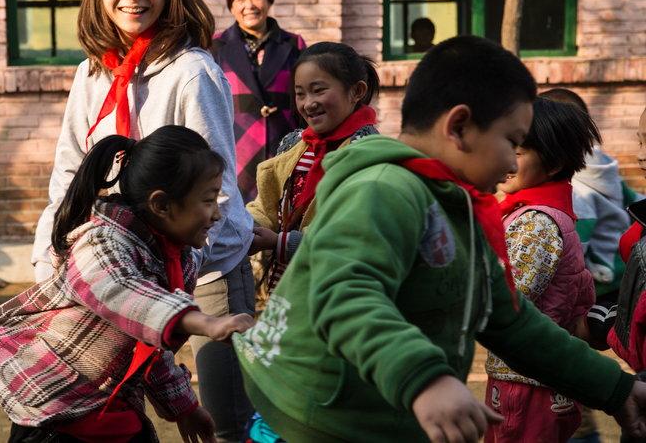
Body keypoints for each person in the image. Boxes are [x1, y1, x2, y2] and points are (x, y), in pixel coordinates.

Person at [234, 36, 646, 443]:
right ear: (459, 127)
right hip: (307, 417)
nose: (510, 161)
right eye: (511, 142)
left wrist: (615, 389)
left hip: (378, 415)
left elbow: (510, 321)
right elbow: (344, 293)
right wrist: (426, 380)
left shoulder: (460, 209)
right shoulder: (383, 189)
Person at [30, 0, 257, 443]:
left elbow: (218, 198)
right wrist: (51, 266)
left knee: (225, 425)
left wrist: (163, 276)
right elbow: (68, 182)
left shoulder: (191, 72)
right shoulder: (91, 74)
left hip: (207, 268)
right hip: (118, 278)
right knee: (106, 414)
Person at [0, 127, 254, 443]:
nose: (217, 214)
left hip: (114, 409)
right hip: (56, 415)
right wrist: (206, 323)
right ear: (161, 205)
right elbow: (124, 293)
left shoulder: (179, 258)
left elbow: (148, 344)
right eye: (207, 200)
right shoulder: (98, 243)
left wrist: (184, 407)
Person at [485, 96, 600, 443]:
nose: (504, 159)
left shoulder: (536, 222)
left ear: (553, 164)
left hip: (525, 382)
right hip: (535, 377)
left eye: (517, 152)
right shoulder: (543, 213)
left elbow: (505, 298)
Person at [539, 89, 644, 443]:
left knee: (568, 378)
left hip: (590, 295)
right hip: (620, 282)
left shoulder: (576, 191)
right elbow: (635, 205)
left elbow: (571, 245)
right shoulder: (606, 170)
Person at [247, 42, 379, 296]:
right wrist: (245, 227)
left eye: (318, 91)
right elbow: (267, 205)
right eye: (300, 94)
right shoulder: (295, 144)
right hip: (287, 290)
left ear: (357, 91)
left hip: (336, 295)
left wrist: (280, 242)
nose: (308, 103)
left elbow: (352, 233)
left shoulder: (368, 153)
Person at [211, 0, 306, 202]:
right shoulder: (214, 47)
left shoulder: (294, 44)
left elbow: (305, 99)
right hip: (236, 156)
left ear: (269, 0)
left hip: (285, 151)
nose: (249, 5)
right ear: (231, 6)